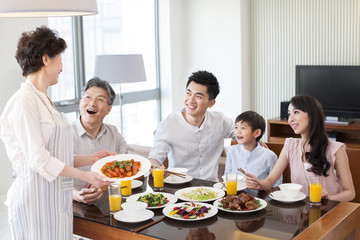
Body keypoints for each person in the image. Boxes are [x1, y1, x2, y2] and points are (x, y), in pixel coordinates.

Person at [0, 26, 114, 240]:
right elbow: (38, 159)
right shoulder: (24, 101)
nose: (62, 66)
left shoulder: (42, 99)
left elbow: (54, 155)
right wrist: (86, 175)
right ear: (46, 59)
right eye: (59, 59)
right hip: (34, 201)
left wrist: (92, 158)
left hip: (53, 197)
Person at [246, 95, 355, 202]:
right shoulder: (290, 145)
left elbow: (350, 192)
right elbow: (270, 181)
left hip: (328, 213)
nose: (290, 119)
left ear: (312, 115)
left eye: (296, 112)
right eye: (289, 114)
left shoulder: (336, 149)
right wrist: (259, 184)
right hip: (299, 214)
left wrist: (329, 198)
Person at [148, 70, 235, 181]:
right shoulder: (169, 123)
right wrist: (155, 168)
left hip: (212, 189)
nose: (191, 100)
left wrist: (255, 141)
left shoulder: (220, 121)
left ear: (211, 103)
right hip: (178, 187)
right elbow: (154, 158)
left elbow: (243, 134)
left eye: (198, 96)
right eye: (188, 93)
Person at [72, 77, 133, 204]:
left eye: (100, 99)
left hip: (110, 200)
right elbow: (55, 176)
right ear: (80, 103)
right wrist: (77, 195)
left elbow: (129, 158)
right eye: (88, 97)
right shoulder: (65, 133)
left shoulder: (113, 132)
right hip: (74, 203)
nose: (92, 103)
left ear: (109, 109)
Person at [224, 111, 282, 190]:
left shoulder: (269, 155)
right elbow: (227, 177)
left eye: (243, 128)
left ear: (257, 133)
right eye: (236, 127)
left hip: (259, 198)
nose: (238, 132)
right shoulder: (232, 151)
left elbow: (277, 185)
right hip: (235, 197)